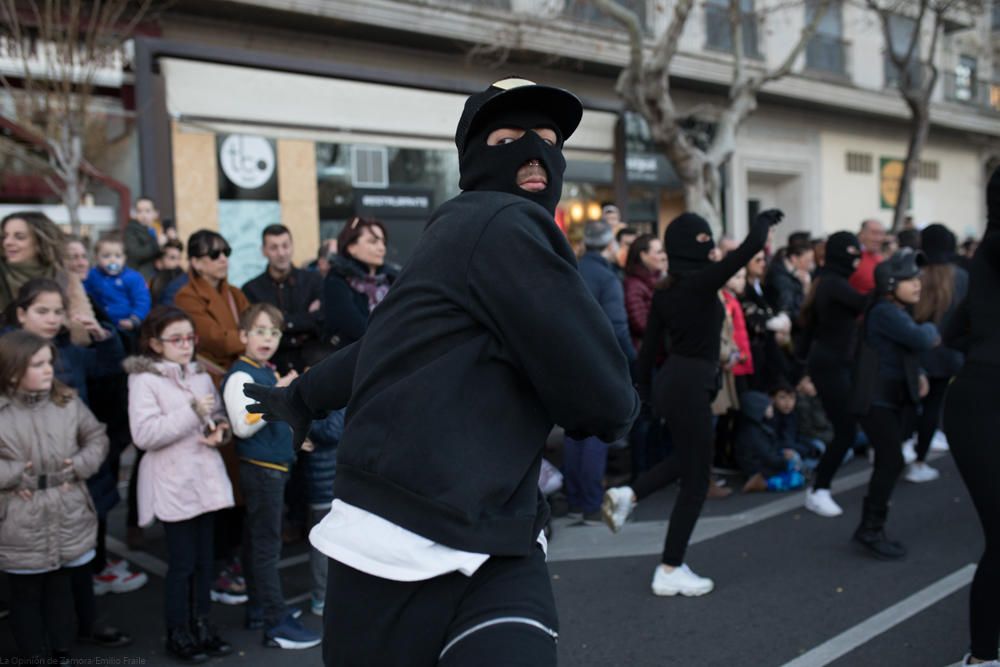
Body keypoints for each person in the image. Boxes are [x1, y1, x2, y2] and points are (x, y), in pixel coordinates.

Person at [244, 77, 638, 666]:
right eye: (509, 138)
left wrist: (305, 394)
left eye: (551, 141)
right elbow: (604, 400)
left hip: (476, 533)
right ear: (475, 158)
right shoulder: (506, 221)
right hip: (407, 541)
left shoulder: (453, 230)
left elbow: (396, 337)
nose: (536, 154)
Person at [601, 207, 783, 596]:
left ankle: (627, 495)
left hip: (674, 385)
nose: (711, 248)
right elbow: (748, 249)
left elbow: (647, 354)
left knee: (688, 461)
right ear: (692, 247)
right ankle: (669, 568)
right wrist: (764, 221)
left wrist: (646, 398)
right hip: (689, 386)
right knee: (697, 481)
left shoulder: (667, 291)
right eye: (704, 240)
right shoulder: (700, 283)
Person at [126, 306, 234, 663]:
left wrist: (219, 431)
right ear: (156, 344)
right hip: (174, 481)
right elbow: (144, 435)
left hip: (204, 477)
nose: (186, 345)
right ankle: (178, 631)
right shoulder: (144, 381)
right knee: (183, 563)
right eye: (177, 339)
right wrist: (190, 411)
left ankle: (203, 624)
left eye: (190, 338)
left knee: (205, 561)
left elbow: (215, 414)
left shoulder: (200, 374)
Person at [0, 330, 108, 662]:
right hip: (19, 517)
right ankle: (33, 654)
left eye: (50, 362)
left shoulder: (66, 401)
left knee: (61, 589)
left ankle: (61, 649)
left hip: (67, 509)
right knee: (25, 596)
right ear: (13, 370)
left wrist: (77, 466)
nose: (49, 370)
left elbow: (96, 437)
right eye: (38, 364)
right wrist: (17, 473)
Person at [221, 303, 321, 649]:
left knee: (257, 544)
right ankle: (276, 623)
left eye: (274, 332)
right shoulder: (241, 375)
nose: (268, 338)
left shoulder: (262, 371)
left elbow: (266, 424)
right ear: (244, 336)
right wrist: (278, 395)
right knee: (266, 547)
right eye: (260, 331)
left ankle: (260, 610)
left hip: (274, 469)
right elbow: (242, 426)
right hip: (261, 473)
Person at [173, 229, 250, 608]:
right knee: (220, 475)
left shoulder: (233, 294)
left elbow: (244, 329)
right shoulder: (186, 295)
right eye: (214, 253)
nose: (222, 258)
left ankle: (229, 556)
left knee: (239, 476)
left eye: (226, 251)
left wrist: (245, 336)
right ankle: (220, 562)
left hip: (235, 384)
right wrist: (248, 338)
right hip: (210, 388)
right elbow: (216, 339)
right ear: (196, 261)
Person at [944, 167, 1000, 667]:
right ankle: (982, 658)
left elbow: (949, 330)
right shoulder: (995, 247)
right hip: (983, 406)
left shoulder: (984, 257)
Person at [850, 250, 939, 559]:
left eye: (917, 278)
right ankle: (870, 530)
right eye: (909, 279)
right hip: (876, 400)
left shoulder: (894, 310)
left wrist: (921, 373)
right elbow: (920, 339)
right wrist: (932, 330)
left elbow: (906, 349)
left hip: (886, 399)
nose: (917, 284)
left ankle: (871, 527)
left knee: (891, 461)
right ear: (890, 284)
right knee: (890, 461)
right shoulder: (886, 312)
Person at [563, 219, 636, 523]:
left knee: (574, 432)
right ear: (609, 245)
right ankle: (591, 502)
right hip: (598, 362)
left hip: (570, 358)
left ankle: (576, 499)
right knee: (595, 434)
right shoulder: (608, 279)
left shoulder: (571, 270)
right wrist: (630, 360)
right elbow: (617, 328)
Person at [798, 231, 867, 517]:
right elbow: (866, 303)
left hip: (836, 364)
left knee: (849, 428)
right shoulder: (833, 285)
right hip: (830, 366)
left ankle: (820, 487)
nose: (857, 259)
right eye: (852, 252)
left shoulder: (827, 283)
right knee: (845, 431)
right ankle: (818, 489)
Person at [901, 224, 966, 483]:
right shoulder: (960, 277)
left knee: (908, 404)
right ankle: (918, 462)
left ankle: (901, 446)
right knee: (932, 409)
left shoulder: (913, 274)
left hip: (914, 353)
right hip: (948, 354)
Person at [1, 211, 97, 346]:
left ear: (40, 241)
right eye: (5, 236)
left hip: (55, 356)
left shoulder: (64, 276)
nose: (8, 242)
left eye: (20, 237)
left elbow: (82, 332)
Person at [243, 225, 326, 375]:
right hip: (272, 368)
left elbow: (321, 320)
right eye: (274, 247)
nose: (281, 253)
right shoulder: (252, 289)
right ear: (264, 251)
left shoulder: (313, 281)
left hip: (311, 365)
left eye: (285, 246)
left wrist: (279, 323)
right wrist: (304, 321)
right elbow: (256, 331)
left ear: (292, 246)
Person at [322, 217, 396, 351]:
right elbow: (355, 327)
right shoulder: (337, 280)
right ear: (351, 247)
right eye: (373, 242)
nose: (381, 248)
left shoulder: (394, 280)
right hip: (355, 360)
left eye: (383, 242)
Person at [83, 233, 152, 338]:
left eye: (118, 256)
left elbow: (142, 300)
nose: (112, 260)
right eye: (106, 256)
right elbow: (85, 294)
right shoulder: (92, 276)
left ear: (124, 258)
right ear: (97, 258)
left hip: (127, 324)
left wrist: (135, 319)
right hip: (102, 324)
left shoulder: (132, 277)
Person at [735, 391, 805, 493]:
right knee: (795, 478)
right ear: (758, 408)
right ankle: (762, 483)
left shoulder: (760, 426)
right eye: (768, 406)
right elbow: (767, 455)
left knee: (794, 465)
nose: (771, 408)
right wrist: (783, 461)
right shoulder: (753, 432)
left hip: (764, 463)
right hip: (758, 468)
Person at [624, 232, 667, 353]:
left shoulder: (658, 279)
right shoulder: (634, 285)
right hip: (647, 353)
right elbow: (641, 324)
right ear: (643, 255)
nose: (664, 256)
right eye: (659, 252)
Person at [764, 233, 814, 322]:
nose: (810, 266)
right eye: (807, 261)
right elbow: (790, 309)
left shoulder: (795, 274)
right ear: (794, 258)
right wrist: (805, 289)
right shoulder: (780, 277)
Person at [124, 196, 164, 280]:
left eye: (147, 211)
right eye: (139, 211)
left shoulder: (157, 229)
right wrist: (157, 244)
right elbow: (136, 254)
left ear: (156, 213)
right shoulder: (131, 230)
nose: (143, 215)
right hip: (142, 277)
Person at [849, 219, 886, 294]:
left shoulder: (881, 258)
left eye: (881, 234)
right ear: (862, 234)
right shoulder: (851, 258)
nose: (878, 238)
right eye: (874, 233)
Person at [149, 239, 186, 306]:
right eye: (172, 258)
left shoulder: (183, 281)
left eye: (179, 258)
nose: (177, 262)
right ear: (160, 260)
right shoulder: (151, 278)